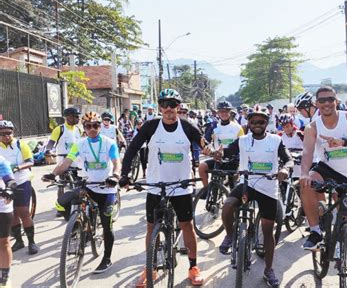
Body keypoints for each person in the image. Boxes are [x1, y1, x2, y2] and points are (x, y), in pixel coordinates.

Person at [119, 88, 206, 287]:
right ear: (159, 106)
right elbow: (132, 149)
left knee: (186, 225)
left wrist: (211, 150)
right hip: (156, 186)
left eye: (173, 104)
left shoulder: (187, 126)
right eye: (165, 104)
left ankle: (193, 267)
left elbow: (203, 143)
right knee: (151, 227)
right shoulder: (150, 126)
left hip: (181, 186)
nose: (168, 108)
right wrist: (124, 174)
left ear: (178, 106)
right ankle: (150, 267)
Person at [299, 86, 347, 288]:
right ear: (316, 103)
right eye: (322, 100)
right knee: (306, 184)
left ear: (336, 101)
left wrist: (344, 141)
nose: (326, 103)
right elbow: (307, 152)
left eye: (330, 99)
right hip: (326, 169)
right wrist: (304, 173)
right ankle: (315, 231)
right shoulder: (313, 127)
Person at [209, 105, 293, 288]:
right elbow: (228, 151)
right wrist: (218, 153)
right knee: (228, 206)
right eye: (253, 121)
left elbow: (288, 159)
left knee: (267, 231)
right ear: (248, 123)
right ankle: (231, 236)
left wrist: (285, 169)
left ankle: (269, 270)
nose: (257, 124)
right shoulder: (242, 140)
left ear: (266, 123)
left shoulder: (275, 140)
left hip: (269, 187)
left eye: (261, 121)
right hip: (247, 183)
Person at [43, 111, 121, 274]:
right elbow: (67, 162)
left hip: (106, 188)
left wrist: (115, 176)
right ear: (84, 127)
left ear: (100, 126)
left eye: (96, 126)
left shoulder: (109, 143)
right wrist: (54, 173)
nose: (92, 129)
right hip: (88, 185)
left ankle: (107, 258)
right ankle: (79, 228)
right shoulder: (79, 143)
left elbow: (116, 162)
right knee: (63, 202)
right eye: (88, 126)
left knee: (107, 225)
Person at [0, 121, 38, 255]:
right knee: (11, 214)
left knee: (23, 213)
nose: (6, 136)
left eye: (9, 133)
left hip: (21, 181)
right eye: (3, 134)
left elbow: (30, 161)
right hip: (4, 185)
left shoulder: (20, 144)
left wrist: (18, 167)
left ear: (13, 133)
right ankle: (19, 241)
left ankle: (32, 242)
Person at [198, 101, 244, 188]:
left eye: (226, 111)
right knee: (202, 167)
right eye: (221, 111)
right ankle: (206, 190)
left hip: (233, 160)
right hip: (217, 158)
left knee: (232, 185)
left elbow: (242, 145)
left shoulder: (238, 128)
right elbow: (206, 141)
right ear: (218, 113)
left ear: (230, 112)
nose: (224, 113)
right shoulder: (214, 126)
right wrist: (206, 148)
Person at [0, 156, 17, 288]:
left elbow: (10, 179)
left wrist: (10, 188)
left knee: (3, 242)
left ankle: (4, 278)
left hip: (1, 206)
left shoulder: (1, 160)